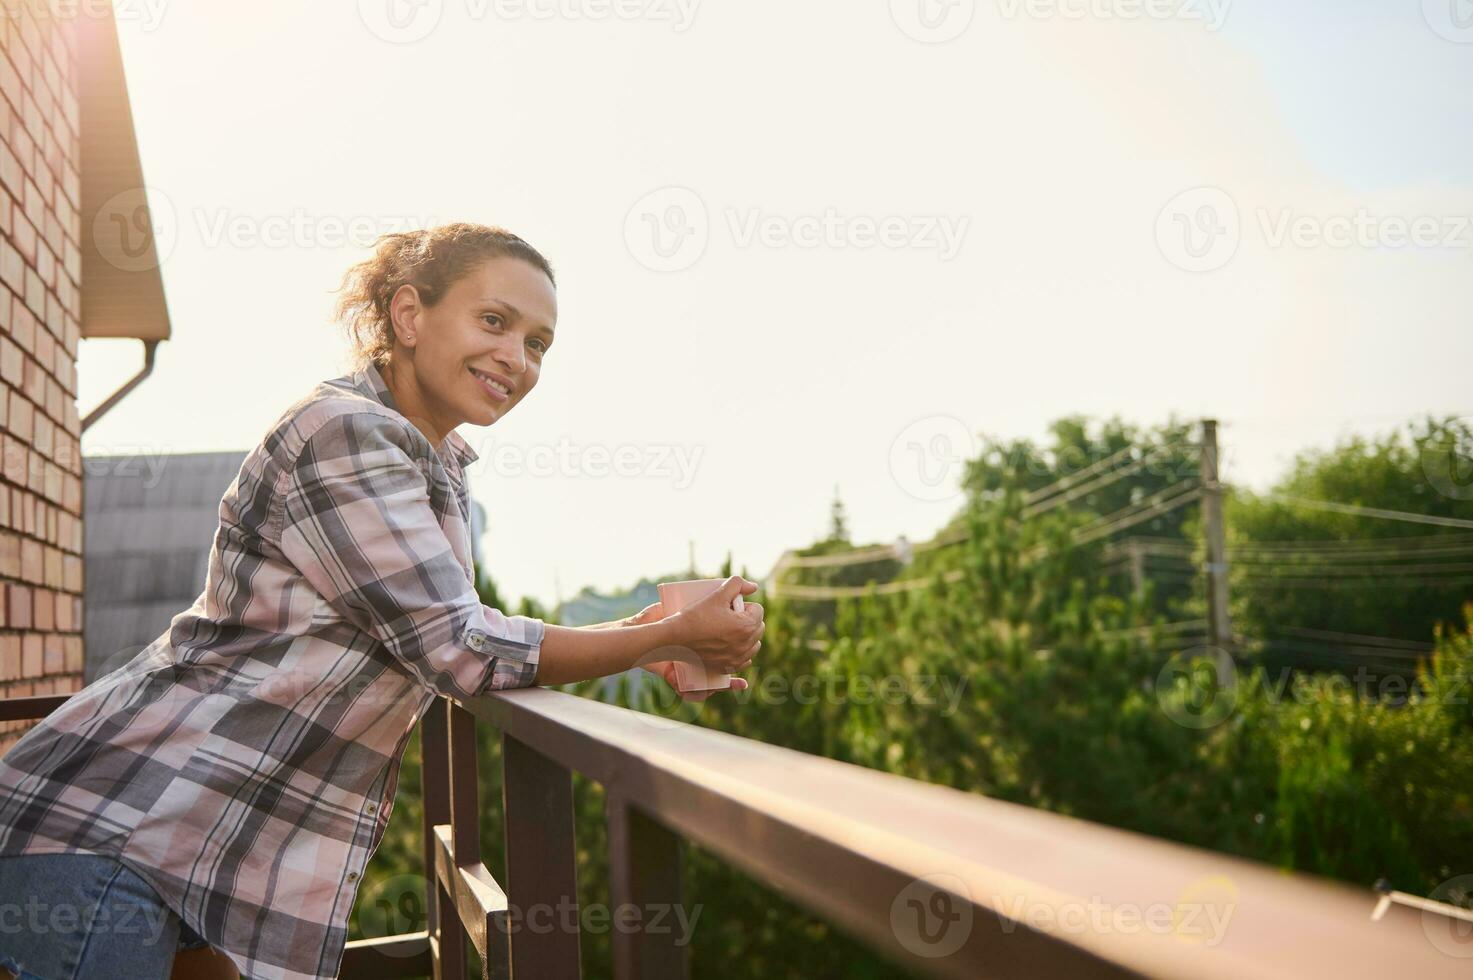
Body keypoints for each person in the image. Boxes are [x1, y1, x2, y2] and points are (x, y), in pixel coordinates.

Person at [0, 223, 763, 980]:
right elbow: (460, 650)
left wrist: (651, 632)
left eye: (538, 344)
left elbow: (444, 631)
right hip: (121, 829)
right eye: (494, 321)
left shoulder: (428, 459)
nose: (517, 357)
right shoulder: (346, 433)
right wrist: (645, 639)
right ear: (407, 316)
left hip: (202, 852)